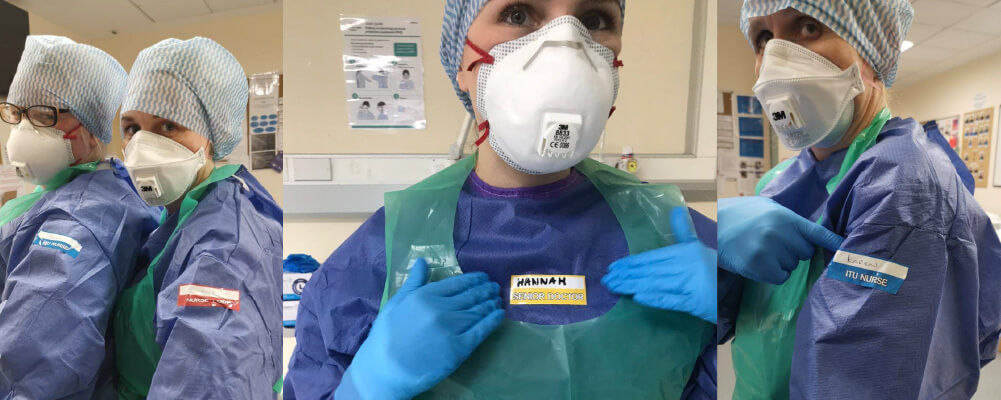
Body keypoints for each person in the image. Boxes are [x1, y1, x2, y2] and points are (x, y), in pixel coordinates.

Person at [285, 0, 717, 399]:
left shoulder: (677, 236)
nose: (567, 45)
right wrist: (365, 387)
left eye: (593, 20)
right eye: (517, 14)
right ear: (462, 63)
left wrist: (738, 302)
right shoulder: (382, 253)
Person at [717, 1, 1001, 399]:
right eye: (764, 38)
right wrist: (709, 251)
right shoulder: (777, 180)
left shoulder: (904, 185)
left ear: (874, 53)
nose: (777, 58)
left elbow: (858, 380)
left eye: (808, 27)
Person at [111, 37, 283, 399]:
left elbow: (208, 382)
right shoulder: (183, 213)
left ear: (213, 135)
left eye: (168, 126)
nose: (142, 147)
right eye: (132, 129)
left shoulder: (224, 247)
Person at [0, 35, 160, 399]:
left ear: (91, 128)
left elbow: (34, 367)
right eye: (17, 114)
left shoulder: (79, 221)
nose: (23, 130)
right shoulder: (75, 190)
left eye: (44, 116)